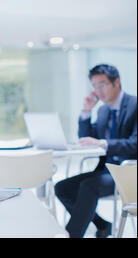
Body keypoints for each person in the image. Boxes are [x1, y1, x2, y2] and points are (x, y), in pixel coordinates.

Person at [55, 64, 137, 238]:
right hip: (106, 171)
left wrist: (103, 143)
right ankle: (103, 225)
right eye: (94, 86)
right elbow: (87, 139)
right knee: (62, 188)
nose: (98, 91)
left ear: (116, 82)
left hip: (129, 172)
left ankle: (71, 235)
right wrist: (86, 111)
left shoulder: (134, 105)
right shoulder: (103, 110)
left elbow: (135, 144)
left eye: (102, 84)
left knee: (88, 186)